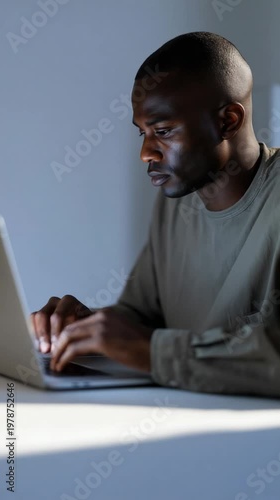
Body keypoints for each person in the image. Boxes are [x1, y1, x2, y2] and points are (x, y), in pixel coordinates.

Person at [31, 32, 280, 397]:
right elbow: (144, 317)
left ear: (228, 120)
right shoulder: (177, 199)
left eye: (162, 131)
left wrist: (153, 353)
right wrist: (85, 328)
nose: (146, 153)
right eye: (142, 134)